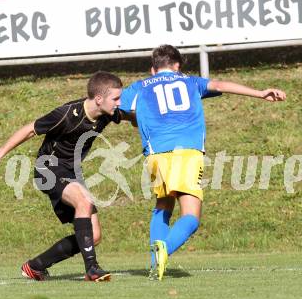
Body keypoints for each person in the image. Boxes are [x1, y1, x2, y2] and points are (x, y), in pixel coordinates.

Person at [119, 45, 286, 280]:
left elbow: (121, 107)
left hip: (156, 154)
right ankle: (164, 250)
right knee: (191, 216)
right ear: (177, 67)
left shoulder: (139, 86)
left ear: (153, 69)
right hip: (186, 152)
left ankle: (154, 263)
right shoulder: (190, 82)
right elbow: (219, 85)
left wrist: (137, 119)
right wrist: (260, 93)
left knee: (163, 205)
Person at [0, 71, 137, 282]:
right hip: (48, 168)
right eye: (115, 98)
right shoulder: (67, 114)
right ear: (98, 99)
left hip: (71, 172)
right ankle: (92, 269)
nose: (118, 102)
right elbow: (30, 129)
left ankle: (35, 266)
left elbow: (129, 117)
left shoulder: (108, 113)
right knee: (84, 201)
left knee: (93, 236)